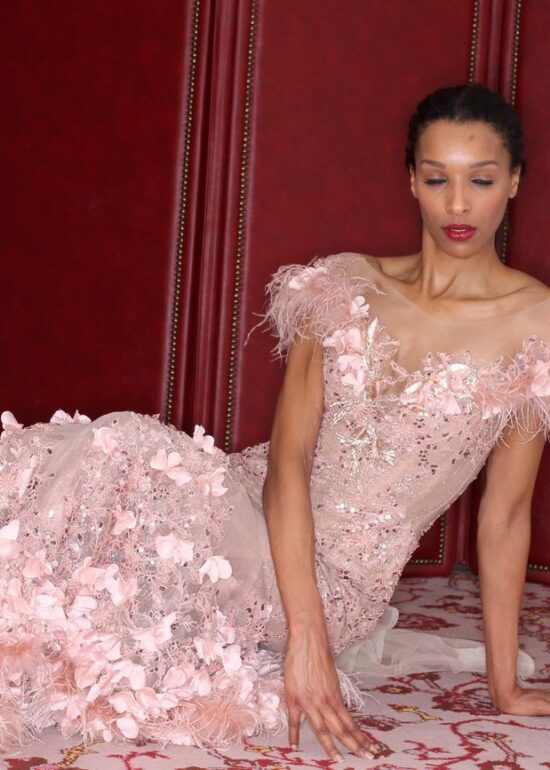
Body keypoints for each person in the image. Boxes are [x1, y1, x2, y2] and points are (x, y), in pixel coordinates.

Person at [1, 83, 549, 761]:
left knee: (115, 507)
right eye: (438, 179)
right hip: (246, 503)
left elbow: (505, 516)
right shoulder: (344, 285)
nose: (458, 204)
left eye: (482, 180)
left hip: (339, 578)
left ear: (514, 182)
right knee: (109, 462)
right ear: (412, 180)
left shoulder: (537, 327)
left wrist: (504, 683)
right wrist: (304, 637)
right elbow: (287, 463)